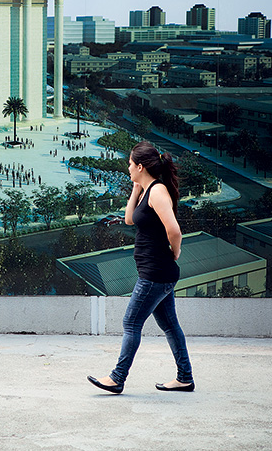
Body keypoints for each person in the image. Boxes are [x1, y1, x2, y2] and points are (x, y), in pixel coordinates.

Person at [87, 141, 193, 394]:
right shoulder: (147, 190)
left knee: (131, 323)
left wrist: (175, 253)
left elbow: (174, 230)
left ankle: (117, 378)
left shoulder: (158, 192)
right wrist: (136, 189)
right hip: (158, 273)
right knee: (169, 326)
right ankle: (185, 378)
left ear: (141, 166)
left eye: (131, 165)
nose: (128, 169)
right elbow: (128, 218)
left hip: (156, 273)